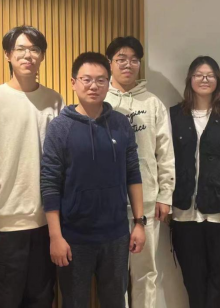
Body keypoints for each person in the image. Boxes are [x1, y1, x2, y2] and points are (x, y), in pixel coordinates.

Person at [41, 52, 146, 308]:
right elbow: (50, 183)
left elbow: (133, 173)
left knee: (115, 301)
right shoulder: (60, 127)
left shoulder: (120, 124)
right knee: (74, 302)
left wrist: (139, 222)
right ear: (73, 82)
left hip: (116, 235)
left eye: (101, 80)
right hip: (74, 237)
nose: (93, 86)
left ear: (108, 84)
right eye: (86, 79)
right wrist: (56, 236)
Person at [0, 26, 63, 308]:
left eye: (35, 49)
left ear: (42, 56)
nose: (28, 55)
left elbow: (61, 162)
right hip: (5, 223)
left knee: (42, 300)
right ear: (8, 55)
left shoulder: (54, 100)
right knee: (5, 301)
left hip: (46, 223)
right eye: (21, 49)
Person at [171, 56, 220, 308]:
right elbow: (164, 162)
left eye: (210, 75)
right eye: (198, 74)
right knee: (193, 279)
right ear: (190, 79)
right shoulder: (174, 115)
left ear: (218, 81)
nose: (204, 79)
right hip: (184, 212)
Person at [105, 36, 175, 308]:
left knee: (146, 271)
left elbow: (164, 152)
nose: (128, 65)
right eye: (121, 59)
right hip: (108, 205)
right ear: (110, 62)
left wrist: (165, 195)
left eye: (134, 60)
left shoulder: (153, 103)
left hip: (146, 203)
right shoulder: (100, 99)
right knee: (114, 275)